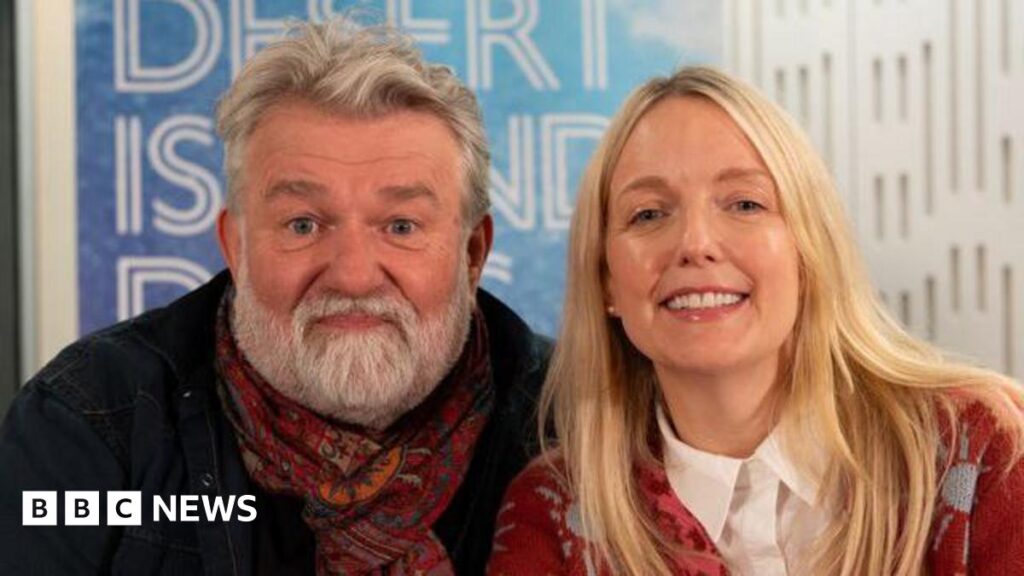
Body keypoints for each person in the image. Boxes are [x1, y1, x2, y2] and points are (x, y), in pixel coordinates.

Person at [0, 18, 549, 576]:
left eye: (402, 226)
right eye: (303, 225)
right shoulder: (91, 422)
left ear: (473, 252)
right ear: (235, 246)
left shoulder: (579, 422)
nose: (354, 276)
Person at [488, 67, 1024, 576]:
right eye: (649, 214)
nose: (695, 244)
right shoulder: (552, 514)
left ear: (809, 252)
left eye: (745, 204)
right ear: (606, 281)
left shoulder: (986, 450)